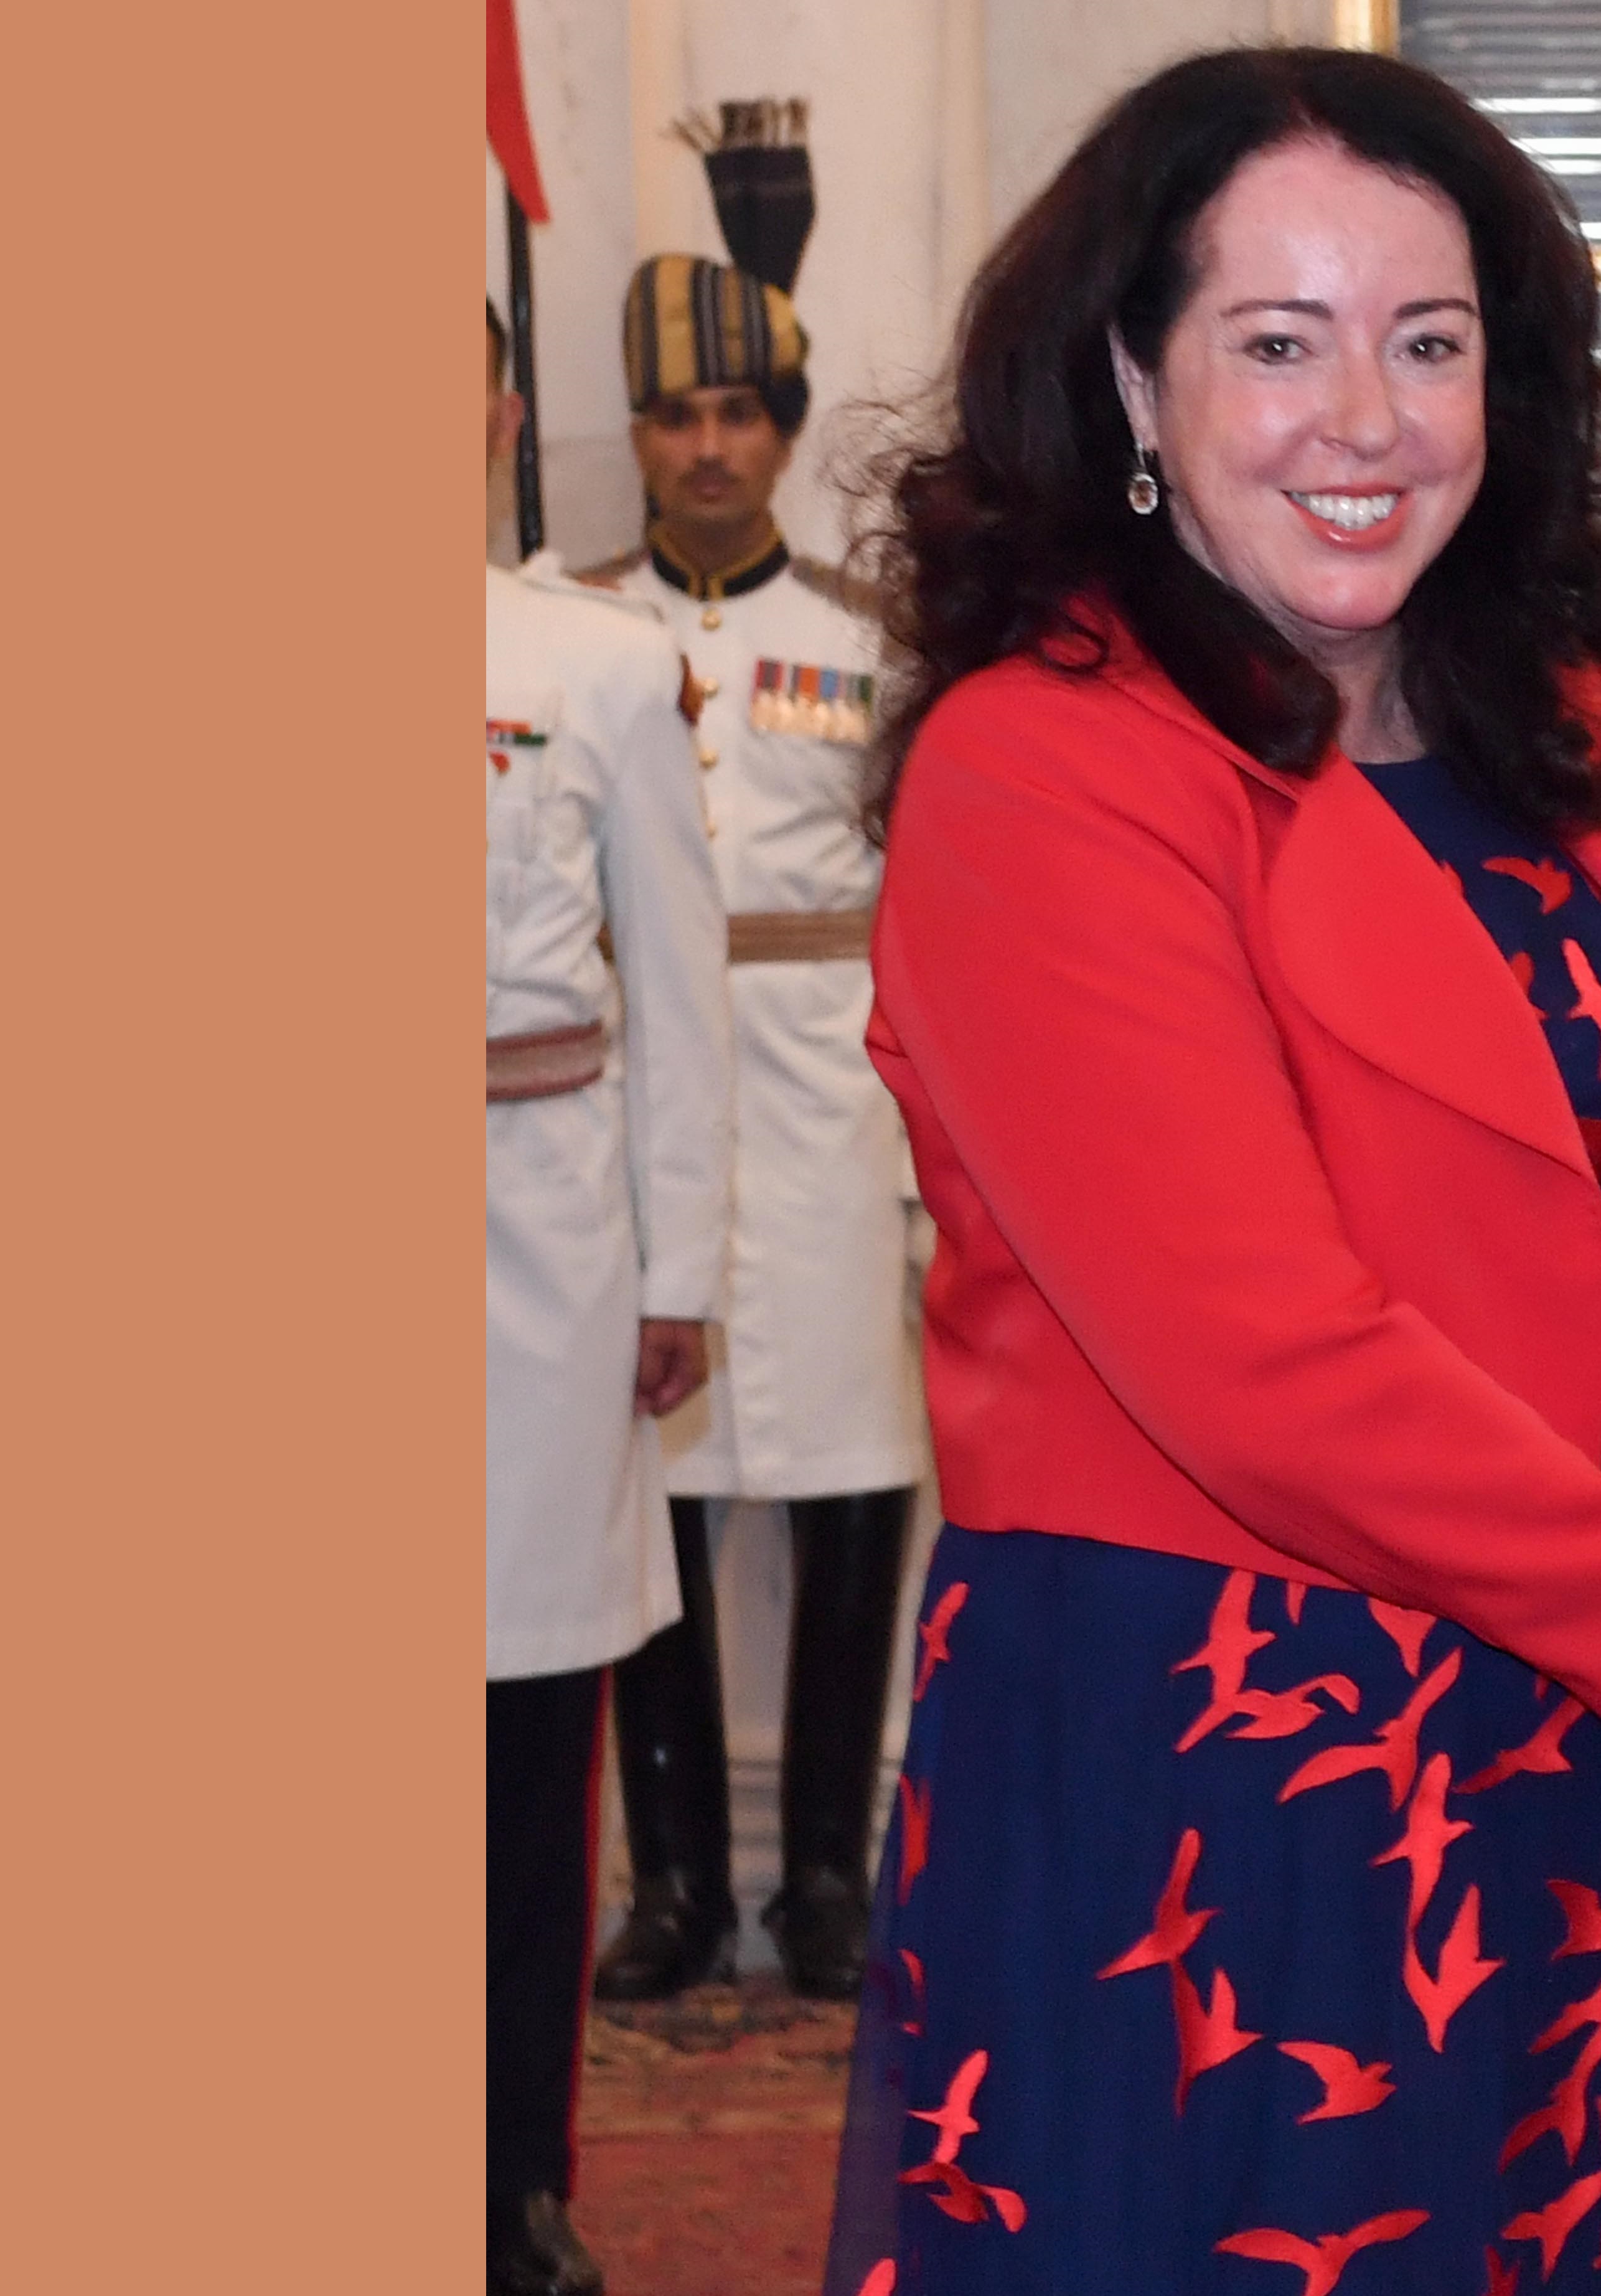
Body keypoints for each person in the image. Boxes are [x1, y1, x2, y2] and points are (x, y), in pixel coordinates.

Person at [816, 47, 1601, 2291]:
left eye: (1429, 341)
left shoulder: (1541, 726)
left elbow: (1590, 1235)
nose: (1364, 419)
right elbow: (1264, 1363)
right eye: (1275, 345)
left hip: (1599, 1736)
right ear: (1132, 377)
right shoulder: (1048, 766)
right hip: (1251, 1779)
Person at [570, 242, 932, 2009]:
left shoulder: (870, 646)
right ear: (633, 438)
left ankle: (829, 1883)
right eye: (672, 417)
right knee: (652, 1489)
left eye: (734, 412)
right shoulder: (570, 632)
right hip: (626, 1085)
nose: (706, 447)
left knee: (855, 1469)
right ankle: (681, 1884)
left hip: (827, 1089)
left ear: (780, 431)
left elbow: (938, 896)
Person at [479, 303, 735, 2296]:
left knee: (514, 1731)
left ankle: (507, 2186)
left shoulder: (598, 664)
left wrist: (678, 1266)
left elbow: (679, 988)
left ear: (493, 407)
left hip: (529, 1240)